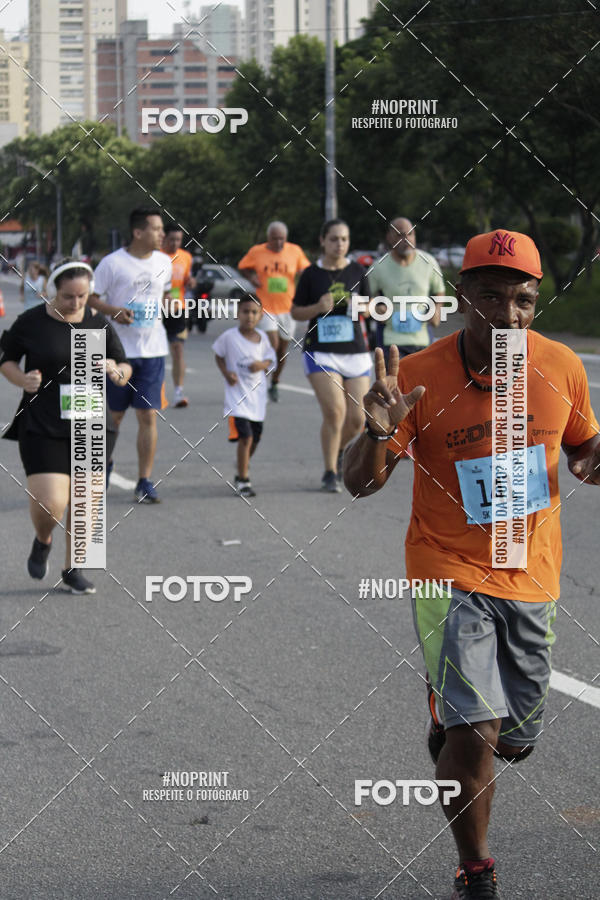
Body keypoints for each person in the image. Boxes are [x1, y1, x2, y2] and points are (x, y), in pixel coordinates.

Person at [344, 230, 600, 899]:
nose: (508, 314)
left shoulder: (562, 366)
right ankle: (477, 868)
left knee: (513, 739)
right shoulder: (420, 376)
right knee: (475, 730)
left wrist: (591, 459)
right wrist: (375, 431)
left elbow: (583, 446)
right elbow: (359, 483)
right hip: (446, 567)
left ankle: (454, 726)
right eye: (490, 297)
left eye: (522, 300)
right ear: (461, 297)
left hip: (531, 573)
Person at [0, 260, 131, 594]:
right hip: (43, 422)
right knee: (51, 505)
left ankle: (72, 568)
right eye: (68, 296)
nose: (75, 304)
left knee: (86, 499)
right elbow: (7, 360)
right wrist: (22, 379)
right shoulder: (32, 322)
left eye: (82, 297)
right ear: (52, 290)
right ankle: (43, 539)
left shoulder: (97, 323)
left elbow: (123, 364)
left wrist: (116, 372)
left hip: (89, 422)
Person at [89, 208, 172, 504]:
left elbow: (165, 296)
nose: (163, 234)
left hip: (152, 351)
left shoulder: (165, 262)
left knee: (148, 415)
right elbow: (90, 297)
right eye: (157, 229)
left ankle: (145, 480)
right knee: (114, 417)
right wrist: (115, 312)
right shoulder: (112, 264)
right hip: (117, 352)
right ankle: (104, 466)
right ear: (138, 232)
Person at [291, 218, 371, 493]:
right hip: (321, 351)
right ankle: (329, 472)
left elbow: (373, 308)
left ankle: (338, 451)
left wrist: (363, 306)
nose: (340, 244)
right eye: (334, 239)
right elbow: (295, 312)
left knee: (358, 420)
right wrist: (317, 307)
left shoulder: (358, 271)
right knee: (335, 412)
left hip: (355, 351)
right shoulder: (312, 274)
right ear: (322, 241)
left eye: (345, 239)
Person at [212, 294, 276, 498]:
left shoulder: (263, 338)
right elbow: (218, 355)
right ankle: (243, 479)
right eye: (245, 311)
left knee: (255, 439)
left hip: (257, 399)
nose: (249, 316)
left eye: (254, 312)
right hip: (236, 398)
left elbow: (271, 360)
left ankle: (242, 464)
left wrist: (262, 365)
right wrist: (226, 373)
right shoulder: (229, 337)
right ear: (238, 314)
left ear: (260, 315)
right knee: (246, 437)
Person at [238, 221, 310, 402]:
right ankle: (258, 380)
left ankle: (275, 382)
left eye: (282, 239)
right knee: (273, 343)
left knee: (282, 351)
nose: (278, 243)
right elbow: (243, 266)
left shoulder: (295, 251)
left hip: (287, 308)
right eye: (274, 239)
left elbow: (307, 271)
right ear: (268, 238)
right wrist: (251, 277)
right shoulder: (257, 251)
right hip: (265, 308)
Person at [368, 217, 445, 362]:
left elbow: (439, 290)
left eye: (410, 234)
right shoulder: (378, 267)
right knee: (395, 384)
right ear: (389, 238)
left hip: (422, 340)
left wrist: (437, 309)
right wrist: (376, 308)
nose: (406, 239)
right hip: (390, 341)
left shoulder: (429, 262)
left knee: (422, 384)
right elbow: (364, 297)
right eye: (400, 235)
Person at [161, 223, 195, 408]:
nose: (175, 243)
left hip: (178, 309)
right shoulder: (156, 256)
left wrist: (190, 282)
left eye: (178, 240)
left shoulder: (185, 257)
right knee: (155, 352)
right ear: (163, 238)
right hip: (156, 309)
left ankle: (178, 392)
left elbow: (186, 280)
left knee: (178, 349)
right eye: (171, 239)